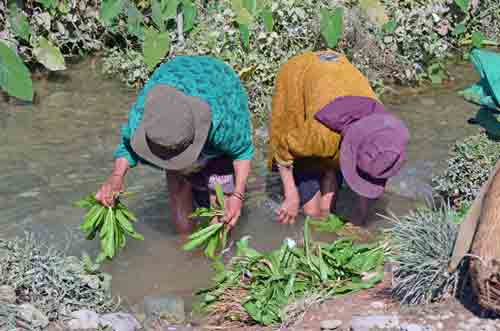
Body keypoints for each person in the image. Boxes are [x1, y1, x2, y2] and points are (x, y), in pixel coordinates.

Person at [96, 55, 254, 235]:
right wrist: (116, 178)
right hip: (175, 96)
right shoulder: (147, 119)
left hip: (219, 85)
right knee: (178, 185)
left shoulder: (222, 124)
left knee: (220, 203)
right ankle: (186, 248)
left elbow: (243, 152)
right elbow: (127, 147)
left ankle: (219, 251)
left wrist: (238, 195)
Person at [268, 50, 410, 226]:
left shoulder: (383, 138)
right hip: (301, 73)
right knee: (312, 212)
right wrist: (291, 196)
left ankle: (328, 173)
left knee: (326, 209)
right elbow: (284, 149)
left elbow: (371, 175)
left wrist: (361, 217)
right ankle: (309, 183)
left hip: (339, 76)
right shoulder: (320, 133)